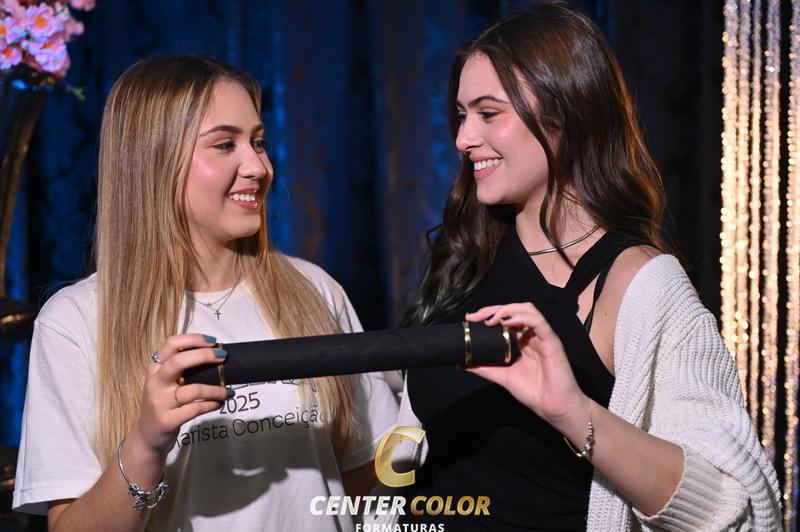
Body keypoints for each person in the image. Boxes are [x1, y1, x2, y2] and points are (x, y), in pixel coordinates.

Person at [370, 2, 782, 531]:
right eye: (461, 114)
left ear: (565, 114)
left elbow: (739, 508)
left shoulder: (640, 284)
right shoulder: (462, 258)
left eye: (488, 114)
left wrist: (573, 412)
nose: (463, 138)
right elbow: (409, 455)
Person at [13, 55, 398, 531]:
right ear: (155, 160)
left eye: (258, 142)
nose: (258, 166)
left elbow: (369, 477)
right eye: (225, 144)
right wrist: (145, 444)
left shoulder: (314, 290)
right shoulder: (75, 321)